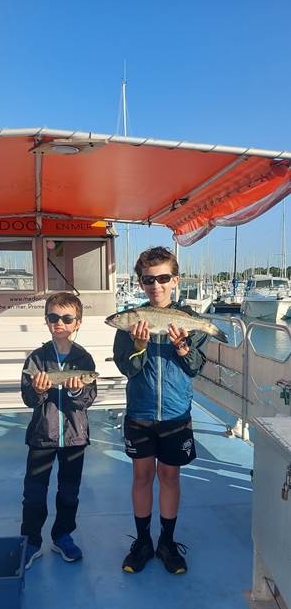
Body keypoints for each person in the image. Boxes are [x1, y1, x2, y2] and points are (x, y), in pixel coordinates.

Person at [113, 246, 207, 575]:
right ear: (140, 283)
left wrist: (182, 346)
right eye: (149, 280)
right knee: (141, 477)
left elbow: (195, 367)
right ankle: (142, 542)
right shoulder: (129, 323)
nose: (156, 285)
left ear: (175, 280)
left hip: (176, 415)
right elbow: (127, 369)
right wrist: (138, 346)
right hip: (139, 414)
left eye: (163, 278)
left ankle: (166, 542)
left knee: (169, 476)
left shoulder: (190, 322)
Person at [20, 291, 97, 569]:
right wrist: (39, 390)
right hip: (42, 435)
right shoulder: (37, 359)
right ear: (46, 320)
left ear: (78, 322)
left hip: (74, 438)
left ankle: (62, 535)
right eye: (53, 317)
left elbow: (87, 399)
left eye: (66, 318)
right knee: (34, 492)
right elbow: (29, 399)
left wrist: (76, 387)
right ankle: (30, 540)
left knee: (69, 492)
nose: (59, 322)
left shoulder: (84, 359)